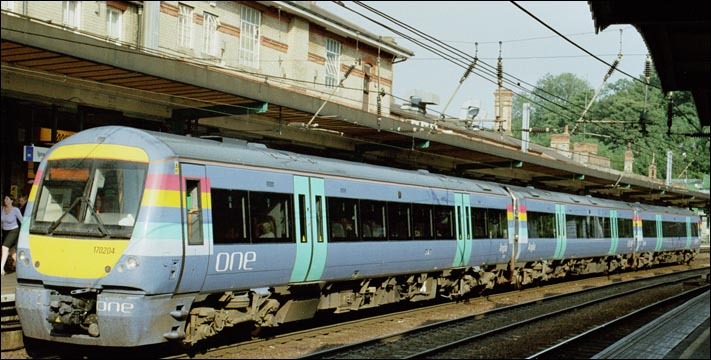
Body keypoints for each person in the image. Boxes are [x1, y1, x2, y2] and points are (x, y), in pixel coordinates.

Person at [2, 195, 23, 276]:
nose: (5, 200)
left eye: (7, 199)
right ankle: (22, 266)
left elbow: (22, 221)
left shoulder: (15, 210)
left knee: (4, 248)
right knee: (12, 252)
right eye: (5, 198)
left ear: (11, 201)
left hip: (14, 230)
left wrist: (23, 233)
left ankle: (1, 269)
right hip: (5, 232)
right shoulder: (2, 209)